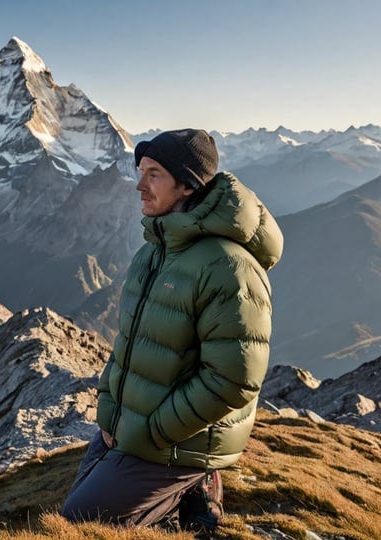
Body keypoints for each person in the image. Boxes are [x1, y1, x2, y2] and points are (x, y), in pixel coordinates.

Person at [61, 129, 283, 531]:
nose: (139, 185)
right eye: (141, 171)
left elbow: (234, 381)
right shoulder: (155, 250)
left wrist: (153, 431)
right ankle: (186, 491)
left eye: (154, 175)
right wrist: (111, 415)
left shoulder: (228, 267)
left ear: (187, 186)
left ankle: (196, 483)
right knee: (74, 511)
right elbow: (128, 342)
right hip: (137, 426)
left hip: (179, 440)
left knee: (79, 525)